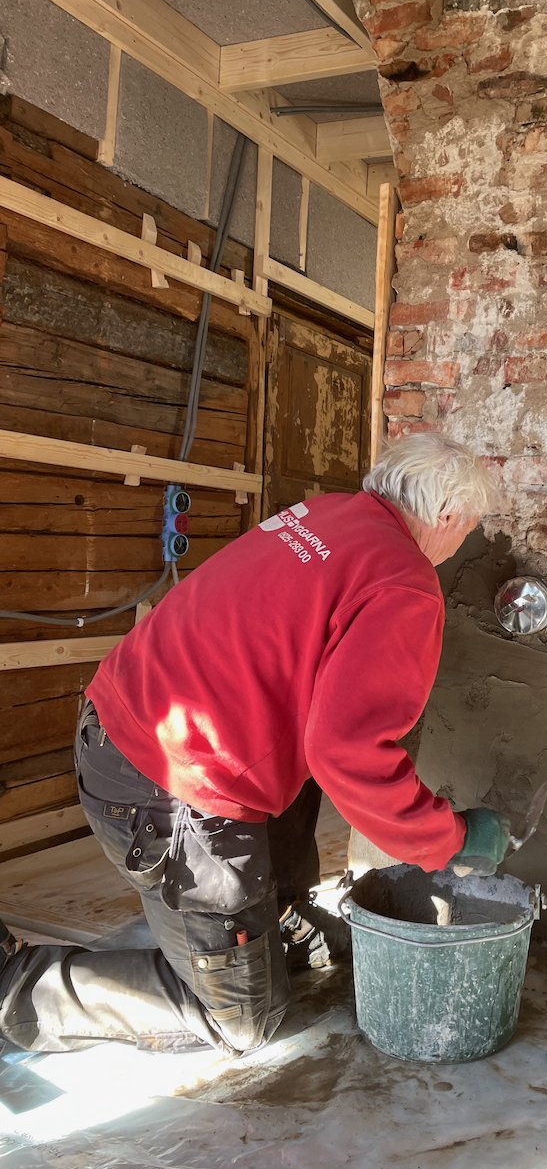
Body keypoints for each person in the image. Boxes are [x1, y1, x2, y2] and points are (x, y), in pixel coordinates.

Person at [0, 432, 511, 1056]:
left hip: (113, 725)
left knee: (296, 786)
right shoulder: (404, 583)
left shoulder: (321, 515)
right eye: (469, 531)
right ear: (449, 517)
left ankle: (274, 923)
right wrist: (448, 839)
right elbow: (349, 750)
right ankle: (17, 987)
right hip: (168, 787)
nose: (462, 545)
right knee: (241, 1020)